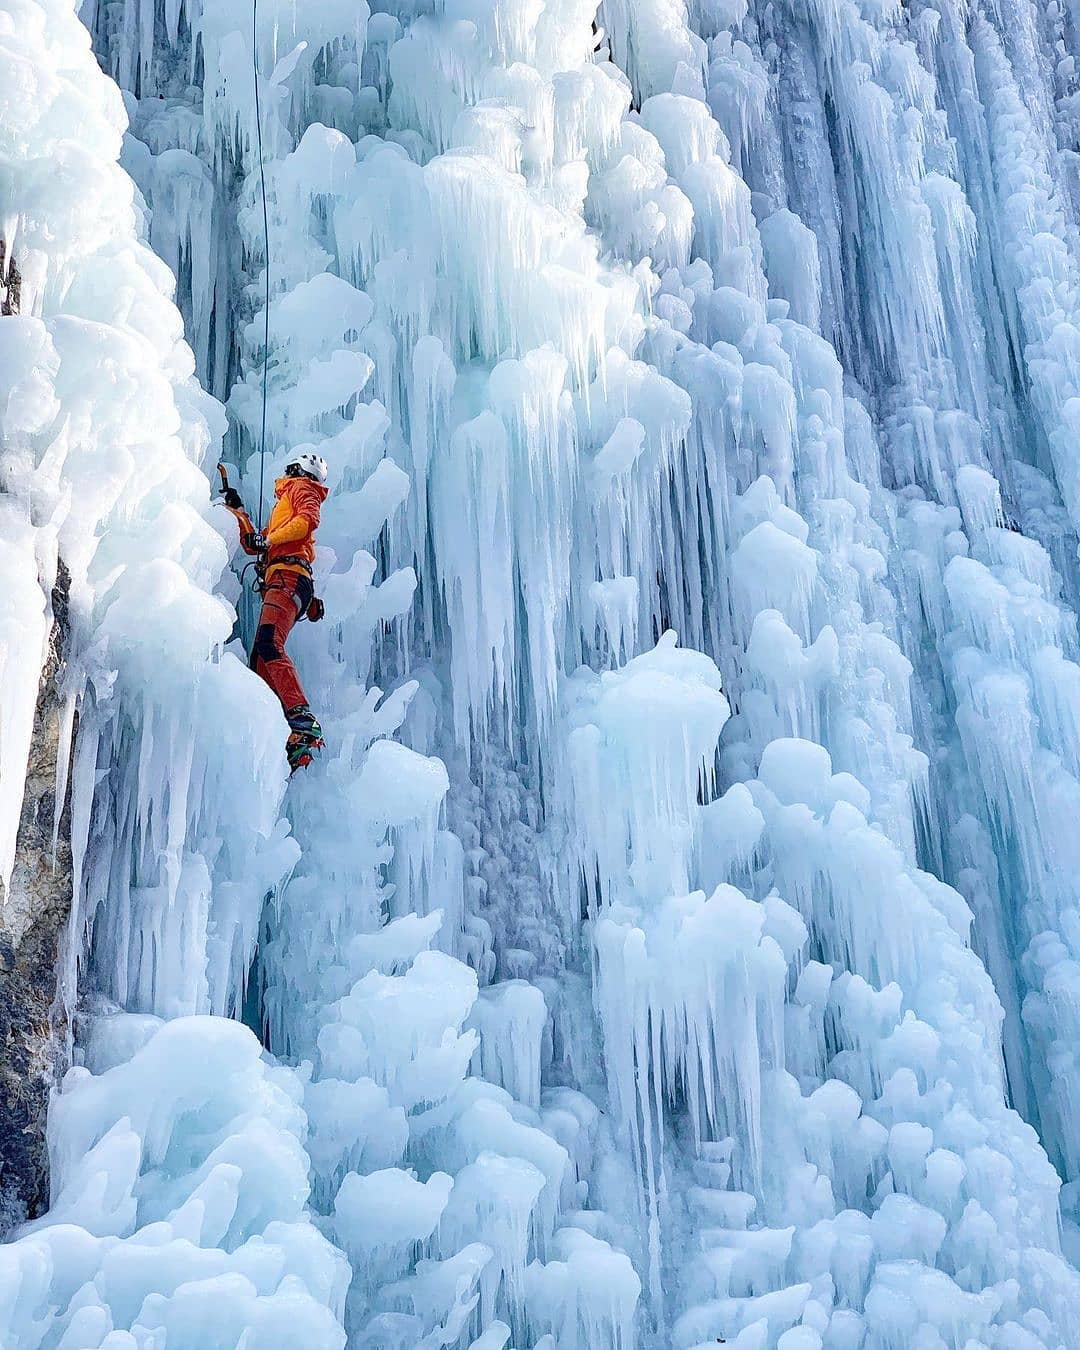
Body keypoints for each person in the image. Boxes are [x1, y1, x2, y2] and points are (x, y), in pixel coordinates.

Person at [223, 452, 328, 771]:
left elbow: (306, 522)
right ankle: (283, 729)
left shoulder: (303, 488)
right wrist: (238, 512)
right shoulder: (285, 503)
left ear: (299, 469)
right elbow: (255, 546)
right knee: (260, 658)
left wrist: (269, 539)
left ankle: (301, 720)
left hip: (289, 577)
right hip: (284, 579)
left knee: (269, 645)